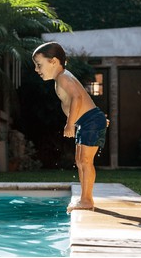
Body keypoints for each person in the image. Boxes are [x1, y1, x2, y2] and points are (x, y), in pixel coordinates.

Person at [32, 42, 108, 213]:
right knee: (81, 161)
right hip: (88, 120)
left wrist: (70, 123)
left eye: (39, 65)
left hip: (88, 121)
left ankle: (87, 200)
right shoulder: (63, 77)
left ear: (53, 61)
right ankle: (85, 198)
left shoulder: (63, 77)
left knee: (85, 161)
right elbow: (83, 97)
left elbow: (77, 98)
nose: (37, 70)